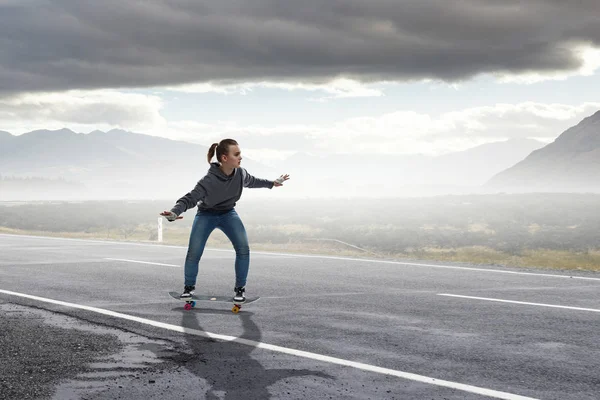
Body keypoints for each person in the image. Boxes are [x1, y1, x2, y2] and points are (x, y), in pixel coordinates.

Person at [160, 139, 289, 303]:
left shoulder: (240, 173)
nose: (240, 157)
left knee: (243, 249)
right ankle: (188, 289)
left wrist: (272, 183)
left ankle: (240, 290)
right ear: (224, 158)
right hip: (206, 215)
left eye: (240, 153)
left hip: (228, 213)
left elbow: (253, 181)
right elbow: (189, 199)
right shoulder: (208, 181)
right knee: (194, 253)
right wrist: (174, 212)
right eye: (236, 154)